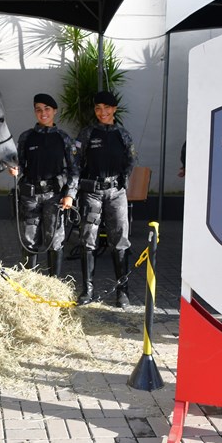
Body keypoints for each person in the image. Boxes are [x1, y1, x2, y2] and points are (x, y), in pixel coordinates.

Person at [75, 90, 137, 310]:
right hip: (91, 192)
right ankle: (88, 290)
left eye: (107, 108)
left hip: (116, 193)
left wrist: (121, 184)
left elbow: (130, 161)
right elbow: (76, 162)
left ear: (114, 110)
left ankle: (123, 293)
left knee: (120, 240)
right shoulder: (87, 134)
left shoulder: (123, 134)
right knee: (88, 240)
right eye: (98, 108)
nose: (102, 112)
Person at [9, 93, 79, 277]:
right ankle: (28, 283)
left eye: (47, 109)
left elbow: (74, 170)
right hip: (30, 197)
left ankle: (53, 283)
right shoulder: (26, 137)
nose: (43, 113)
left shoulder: (63, 139)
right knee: (29, 240)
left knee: (54, 241)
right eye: (38, 110)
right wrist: (15, 169)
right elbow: (20, 164)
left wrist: (70, 195)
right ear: (35, 112)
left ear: (54, 111)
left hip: (54, 197)